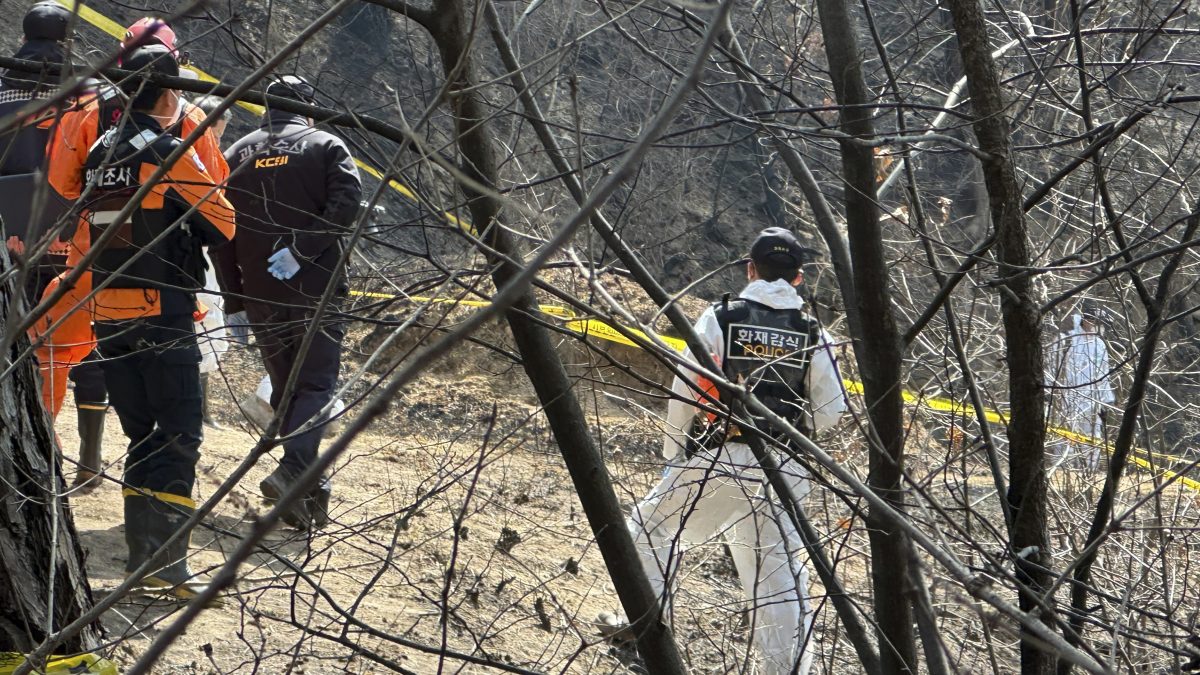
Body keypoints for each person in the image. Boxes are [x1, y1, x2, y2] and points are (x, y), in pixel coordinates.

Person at [623, 227, 846, 675]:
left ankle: (647, 634)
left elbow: (685, 386)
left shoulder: (721, 317)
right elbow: (831, 409)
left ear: (750, 269)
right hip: (784, 464)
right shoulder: (812, 333)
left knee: (647, 529)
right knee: (776, 572)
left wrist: (674, 455)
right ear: (798, 279)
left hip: (719, 453)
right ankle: (787, 669)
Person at [66, 44, 235, 598]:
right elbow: (223, 220)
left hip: (106, 312)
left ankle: (146, 560)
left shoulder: (96, 152)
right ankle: (165, 563)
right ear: (167, 94)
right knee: (179, 432)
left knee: (144, 434)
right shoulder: (168, 148)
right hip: (161, 310)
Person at [40, 15, 228, 489]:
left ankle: (53, 458)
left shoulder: (86, 110)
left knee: (57, 355)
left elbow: (63, 182)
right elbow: (217, 193)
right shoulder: (185, 119)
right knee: (173, 415)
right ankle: (136, 505)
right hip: (160, 281)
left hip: (92, 266)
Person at [214, 74, 361, 529]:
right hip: (315, 287)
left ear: (264, 109)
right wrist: (303, 250)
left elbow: (220, 230)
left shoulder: (235, 153)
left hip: (260, 292)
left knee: (287, 389)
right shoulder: (325, 144)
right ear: (308, 109)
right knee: (315, 386)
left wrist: (232, 298)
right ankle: (294, 472)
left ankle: (307, 500)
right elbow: (348, 203)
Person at [190, 94, 234, 428]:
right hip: (191, 246)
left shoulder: (219, 158)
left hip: (212, 247)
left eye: (219, 136)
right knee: (198, 319)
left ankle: (203, 409)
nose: (216, 142)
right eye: (214, 135)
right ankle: (193, 404)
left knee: (211, 323)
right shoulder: (189, 154)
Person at [1048, 310, 1115, 471]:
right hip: (1067, 397)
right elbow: (1052, 367)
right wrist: (1050, 390)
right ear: (1086, 320)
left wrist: (1106, 398)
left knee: (1093, 435)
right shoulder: (1067, 340)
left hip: (1093, 399)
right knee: (1066, 434)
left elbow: (1104, 372)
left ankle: (1089, 470)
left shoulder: (1100, 344)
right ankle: (1064, 468)